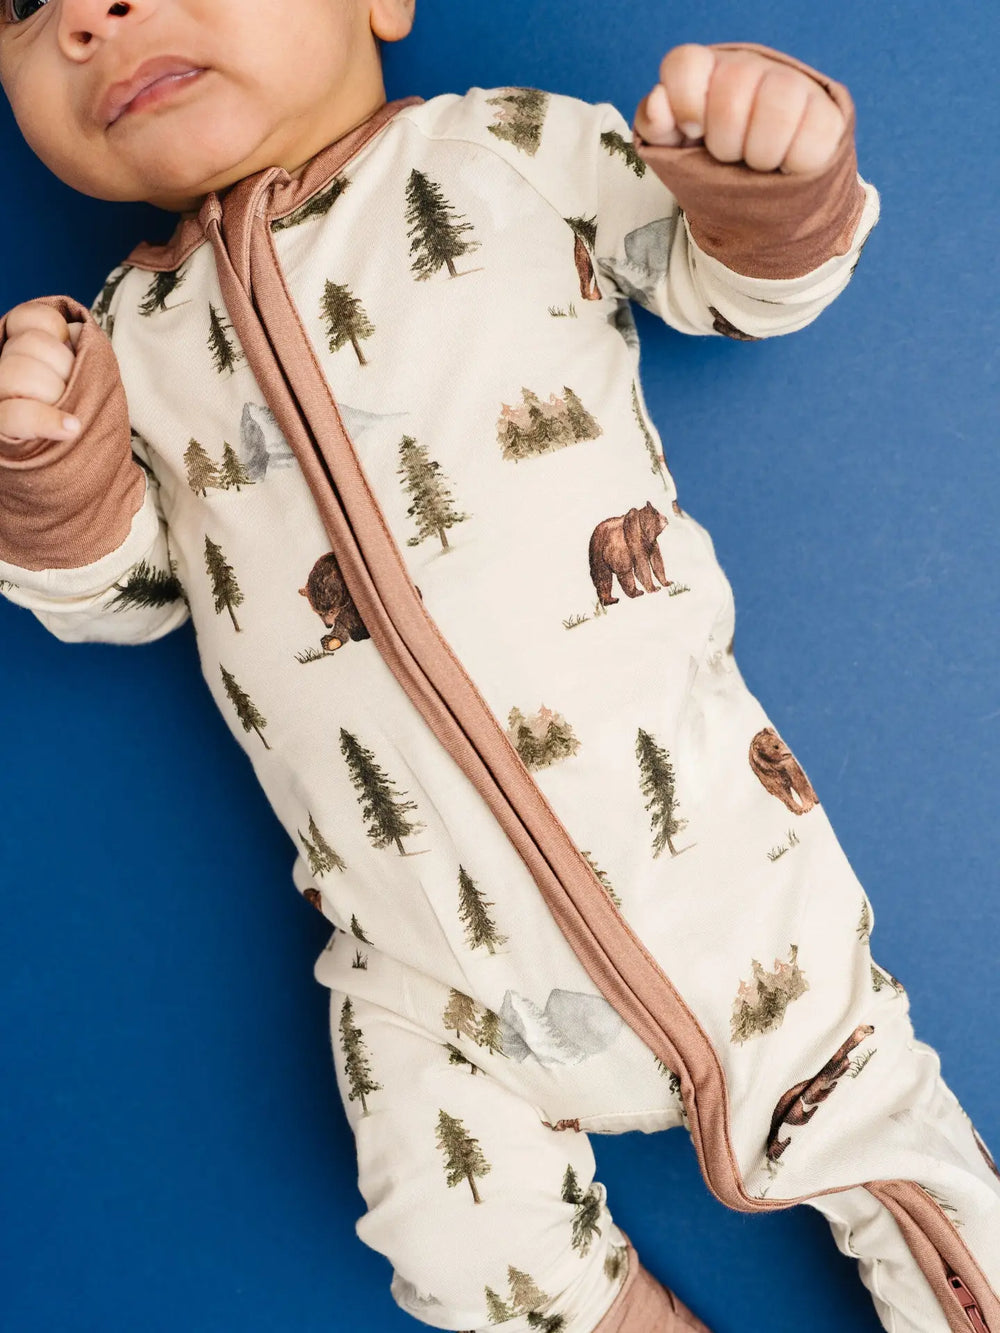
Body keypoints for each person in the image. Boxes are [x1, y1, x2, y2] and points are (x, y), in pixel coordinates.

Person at [1, 3, 997, 1330]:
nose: (91, 14)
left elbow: (724, 279)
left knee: (890, 1138)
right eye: (23, 6)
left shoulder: (504, 149)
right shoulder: (120, 346)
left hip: (716, 871)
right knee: (450, 1234)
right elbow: (127, 593)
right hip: (425, 970)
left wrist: (767, 179)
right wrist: (47, 476)